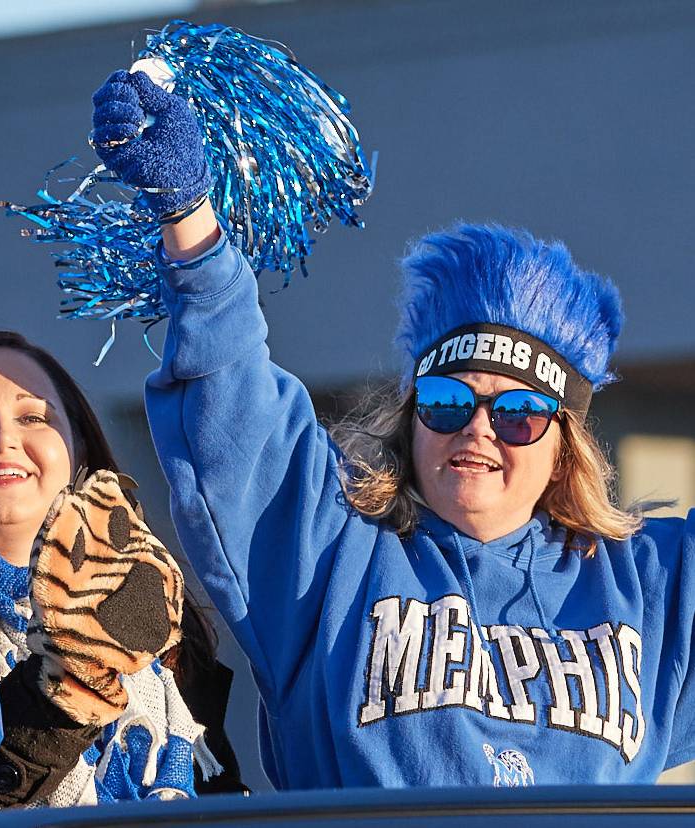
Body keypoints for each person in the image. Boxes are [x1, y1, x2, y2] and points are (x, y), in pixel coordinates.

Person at [88, 69, 695, 786]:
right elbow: (235, 409)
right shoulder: (327, 556)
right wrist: (189, 217)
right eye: (446, 401)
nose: (479, 429)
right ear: (410, 422)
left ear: (566, 449)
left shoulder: (651, 584)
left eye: (519, 414)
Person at [0, 330, 244, 811]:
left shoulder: (158, 618)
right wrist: (65, 683)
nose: (2, 439)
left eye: (33, 416)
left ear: (77, 445)